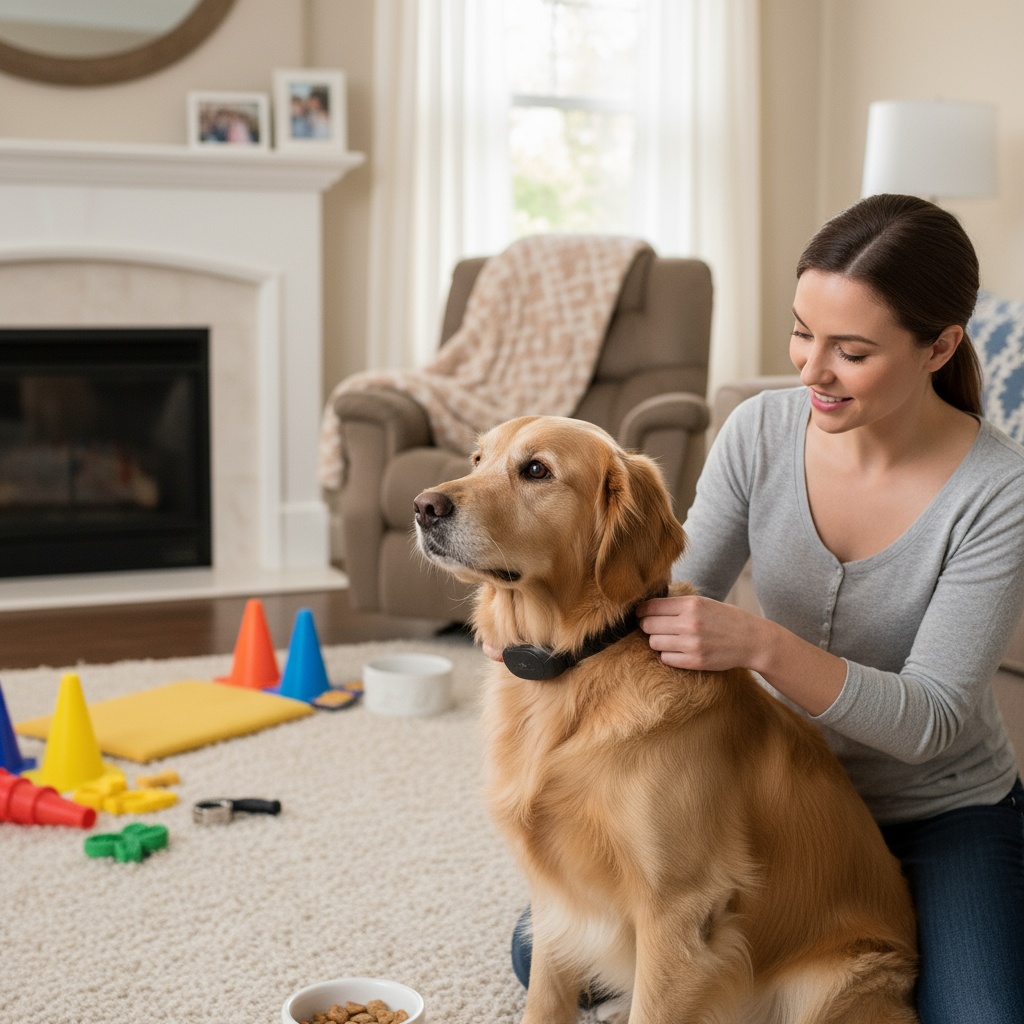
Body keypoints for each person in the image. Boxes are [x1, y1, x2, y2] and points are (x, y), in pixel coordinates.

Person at [502, 194, 1024, 1023]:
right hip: (783, 794)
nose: (811, 369)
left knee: (986, 1013)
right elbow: (660, 589)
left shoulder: (998, 492)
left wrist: (760, 646)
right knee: (543, 948)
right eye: (802, 332)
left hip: (939, 812)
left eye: (850, 350)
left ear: (940, 347)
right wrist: (535, 607)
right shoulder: (759, 431)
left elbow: (932, 723)